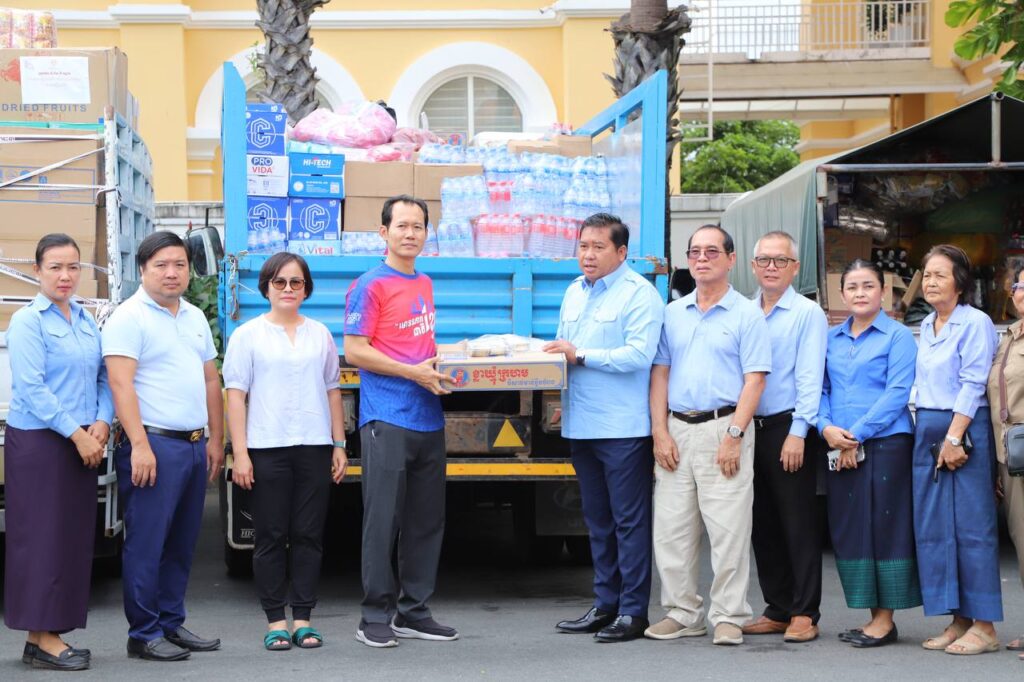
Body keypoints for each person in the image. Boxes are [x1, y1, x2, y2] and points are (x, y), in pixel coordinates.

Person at [102, 231, 225, 662]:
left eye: (179, 265)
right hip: (152, 444)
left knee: (181, 543)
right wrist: (139, 445)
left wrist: (216, 439)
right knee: (147, 543)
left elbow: (210, 379)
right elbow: (120, 384)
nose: (171, 273)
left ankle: (171, 623)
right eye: (161, 265)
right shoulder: (129, 317)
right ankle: (143, 632)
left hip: (193, 445)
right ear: (142, 270)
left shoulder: (193, 316)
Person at [646, 224, 770, 647]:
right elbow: (660, 374)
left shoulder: (747, 314)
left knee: (728, 530)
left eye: (712, 251)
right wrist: (660, 431)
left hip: (725, 427)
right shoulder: (672, 313)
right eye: (695, 252)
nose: (702, 258)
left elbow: (755, 380)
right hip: (677, 429)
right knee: (672, 530)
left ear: (731, 259)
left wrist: (734, 435)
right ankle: (682, 613)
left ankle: (730, 615)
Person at [544, 214, 664, 643]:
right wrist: (563, 400)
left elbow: (639, 355)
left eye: (598, 247)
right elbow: (562, 352)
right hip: (582, 424)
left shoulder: (640, 294)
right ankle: (604, 605)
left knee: (629, 522)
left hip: (622, 428)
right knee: (596, 522)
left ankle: (633, 612)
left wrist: (581, 355)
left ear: (621, 252)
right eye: (583, 246)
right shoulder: (574, 291)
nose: (588, 255)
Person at [343, 195, 457, 648]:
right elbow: (355, 350)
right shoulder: (369, 285)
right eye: (402, 225)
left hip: (428, 416)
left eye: (418, 226)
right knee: (382, 520)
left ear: (427, 233)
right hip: (386, 417)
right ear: (384, 232)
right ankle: (374, 615)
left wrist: (451, 361)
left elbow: (418, 346)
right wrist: (413, 373)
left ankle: (414, 612)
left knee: (426, 521)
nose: (410, 233)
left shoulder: (424, 282)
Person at [223, 253, 348, 651]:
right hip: (266, 447)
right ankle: (276, 620)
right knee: (270, 536)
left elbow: (332, 390)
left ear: (306, 289)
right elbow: (235, 396)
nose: (288, 289)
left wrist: (339, 444)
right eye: (279, 282)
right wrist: (240, 453)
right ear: (266, 287)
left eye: (296, 282)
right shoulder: (247, 335)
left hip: (314, 445)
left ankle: (304, 619)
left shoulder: (320, 334)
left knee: (309, 535)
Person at [4, 234, 111, 671]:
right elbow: (32, 389)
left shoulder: (85, 320)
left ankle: (47, 636)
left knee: (70, 539)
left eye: (73, 267)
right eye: (55, 267)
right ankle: (42, 637)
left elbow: (103, 376)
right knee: (41, 540)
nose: (65, 276)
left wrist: (103, 421)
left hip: (82, 441)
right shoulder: (27, 322)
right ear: (37, 271)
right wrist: (78, 435)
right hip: (42, 444)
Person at [818, 259, 920, 649]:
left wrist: (855, 436)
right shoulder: (831, 338)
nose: (860, 293)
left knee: (885, 527)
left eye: (868, 286)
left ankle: (885, 619)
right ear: (842, 294)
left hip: (886, 445)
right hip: (838, 445)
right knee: (851, 528)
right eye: (852, 287)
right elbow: (820, 389)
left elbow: (897, 393)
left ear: (884, 292)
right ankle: (872, 615)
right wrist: (826, 428)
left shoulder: (898, 336)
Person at [913, 244, 1002, 655]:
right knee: (936, 528)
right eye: (927, 275)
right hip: (929, 428)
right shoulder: (927, 323)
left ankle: (984, 625)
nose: (931, 282)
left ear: (960, 283)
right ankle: (959, 618)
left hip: (962, 429)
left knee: (972, 527)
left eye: (940, 275)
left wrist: (952, 438)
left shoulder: (975, 322)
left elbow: (973, 382)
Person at [742, 231, 827, 643]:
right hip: (748, 427)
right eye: (764, 260)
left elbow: (810, 377)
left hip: (787, 426)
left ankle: (804, 612)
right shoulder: (743, 311)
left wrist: (799, 432)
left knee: (798, 523)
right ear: (752, 265)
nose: (771, 267)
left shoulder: (807, 313)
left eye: (780, 260)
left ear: (795, 268)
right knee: (762, 522)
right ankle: (777, 607)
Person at [987, 264, 1024, 663]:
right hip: (1010, 455)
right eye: (1020, 285)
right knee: (1022, 538)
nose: (1023, 292)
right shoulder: (1009, 337)